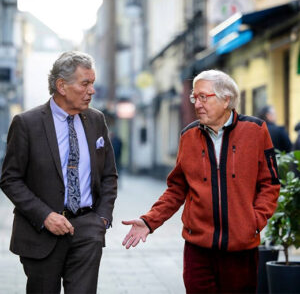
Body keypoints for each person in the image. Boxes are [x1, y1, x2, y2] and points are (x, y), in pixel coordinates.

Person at [122, 70, 280, 293]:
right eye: (194, 97)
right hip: (198, 249)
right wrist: (150, 221)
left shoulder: (255, 130)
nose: (197, 104)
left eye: (204, 97)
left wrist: (254, 221)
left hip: (241, 249)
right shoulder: (188, 135)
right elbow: (176, 189)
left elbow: (270, 183)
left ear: (226, 99)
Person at [0, 51, 118, 294]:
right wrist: (45, 216)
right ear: (61, 86)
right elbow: (10, 179)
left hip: (87, 231)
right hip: (41, 235)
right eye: (85, 83)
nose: (92, 90)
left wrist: (102, 219)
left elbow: (108, 175)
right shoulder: (26, 123)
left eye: (93, 83)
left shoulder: (96, 120)